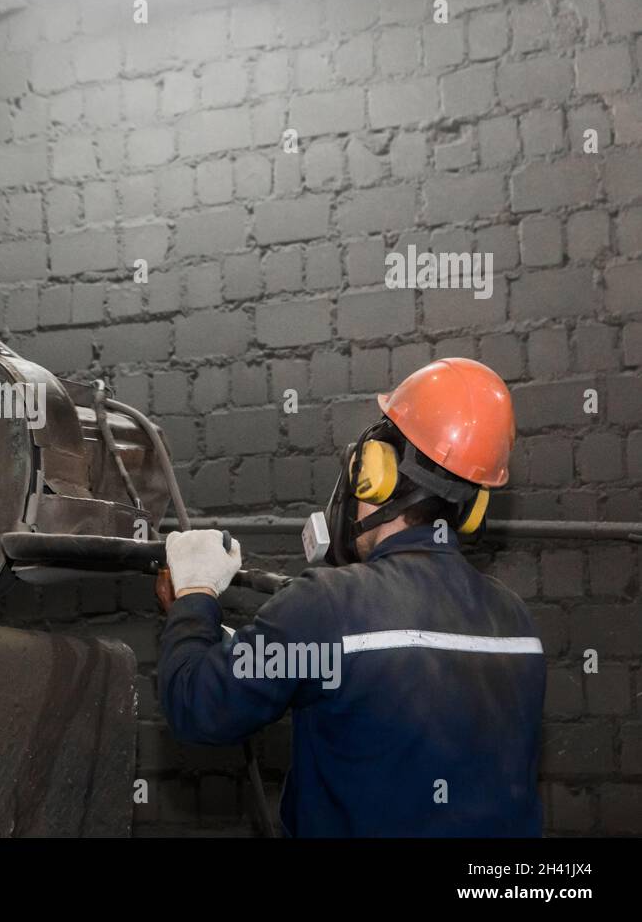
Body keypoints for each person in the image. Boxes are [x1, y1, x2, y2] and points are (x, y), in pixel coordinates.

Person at [157, 358, 545, 836]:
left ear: (373, 473)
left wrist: (194, 593)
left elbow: (196, 705)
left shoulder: (328, 608)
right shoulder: (517, 623)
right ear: (474, 507)